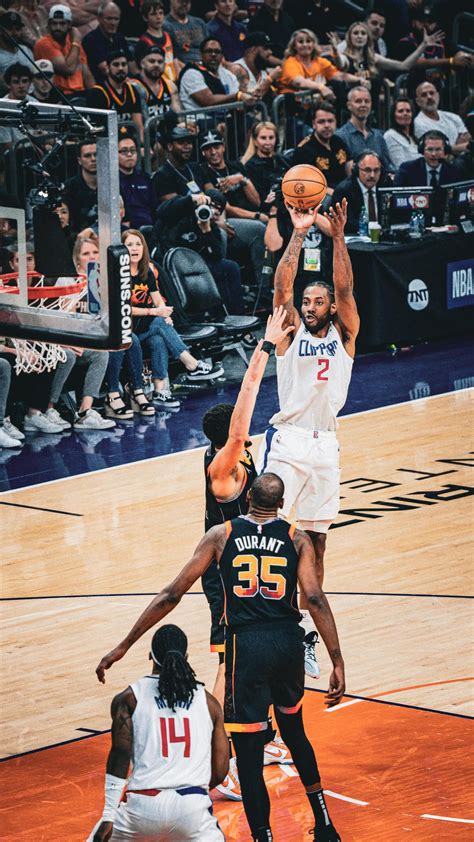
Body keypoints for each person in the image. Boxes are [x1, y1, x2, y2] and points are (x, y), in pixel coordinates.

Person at [96, 473, 345, 842]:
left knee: (248, 752)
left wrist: (124, 645)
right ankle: (324, 824)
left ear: (247, 501)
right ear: (281, 504)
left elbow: (171, 594)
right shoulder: (296, 538)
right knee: (295, 732)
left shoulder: (221, 535)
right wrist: (337, 659)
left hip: (246, 648)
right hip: (287, 643)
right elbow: (315, 598)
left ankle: (264, 837)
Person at [257, 199, 359, 680]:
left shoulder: (345, 333)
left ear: (332, 308)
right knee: (264, 527)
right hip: (290, 440)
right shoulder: (291, 332)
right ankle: (261, 616)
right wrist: (299, 233)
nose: (312, 306)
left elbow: (346, 284)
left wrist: (338, 237)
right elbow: (282, 287)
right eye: (308, 302)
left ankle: (302, 633)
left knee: (317, 540)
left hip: (326, 445)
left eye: (320, 301)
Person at [200, 308, 295, 800]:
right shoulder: (223, 469)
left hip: (250, 568)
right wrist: (262, 347)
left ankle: (264, 736)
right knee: (228, 667)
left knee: (261, 656)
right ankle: (218, 757)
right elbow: (241, 421)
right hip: (225, 578)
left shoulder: (240, 459)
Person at [90, 624, 228, 842]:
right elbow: (221, 770)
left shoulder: (129, 698)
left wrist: (108, 815)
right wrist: (192, 791)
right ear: (186, 657)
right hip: (192, 808)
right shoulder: (209, 703)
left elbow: (119, 756)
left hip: (142, 807)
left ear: (150, 656)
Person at [123, 229, 224, 409]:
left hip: (148, 327)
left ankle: (160, 391)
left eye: (138, 244)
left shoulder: (146, 271)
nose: (134, 248)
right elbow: (123, 309)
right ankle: (191, 364)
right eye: (129, 244)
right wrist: (155, 314)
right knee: (159, 324)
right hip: (127, 329)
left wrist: (164, 314)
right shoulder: (120, 275)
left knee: (158, 340)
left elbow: (157, 300)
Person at [200, 129, 266, 284]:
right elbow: (225, 207)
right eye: (208, 148)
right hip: (228, 218)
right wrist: (256, 216)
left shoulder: (236, 166)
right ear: (203, 152)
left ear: (223, 147)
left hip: (249, 213)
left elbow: (257, 201)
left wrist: (242, 180)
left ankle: (264, 285)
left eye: (216, 146)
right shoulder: (203, 171)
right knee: (260, 226)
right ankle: (261, 285)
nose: (213, 152)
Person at [277, 28, 363, 97]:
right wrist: (320, 87)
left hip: (315, 107)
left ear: (314, 44)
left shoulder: (320, 61)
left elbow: (339, 75)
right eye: (300, 42)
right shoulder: (290, 63)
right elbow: (298, 82)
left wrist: (359, 80)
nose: (305, 45)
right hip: (293, 109)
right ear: (294, 46)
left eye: (308, 41)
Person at [33, 4, 94, 99]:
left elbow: (86, 73)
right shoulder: (44, 43)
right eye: (54, 23)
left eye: (62, 24)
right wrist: (76, 42)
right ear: (49, 24)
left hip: (80, 94)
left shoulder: (73, 42)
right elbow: (68, 69)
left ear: (69, 25)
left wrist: (95, 94)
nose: (58, 27)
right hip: (58, 96)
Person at [291, 102, 353, 194]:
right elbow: (304, 184)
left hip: (344, 191)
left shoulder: (338, 141)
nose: (327, 125)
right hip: (320, 196)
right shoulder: (303, 150)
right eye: (321, 121)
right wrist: (335, 193)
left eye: (330, 121)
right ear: (314, 124)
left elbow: (350, 169)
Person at [178, 36, 250, 113]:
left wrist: (251, 97)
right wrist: (238, 96)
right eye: (209, 51)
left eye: (217, 52)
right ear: (201, 54)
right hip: (199, 121)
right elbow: (208, 101)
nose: (213, 54)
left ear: (222, 56)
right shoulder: (191, 74)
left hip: (225, 119)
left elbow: (235, 103)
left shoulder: (228, 75)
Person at [86, 49, 144, 143]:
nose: (121, 68)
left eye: (124, 64)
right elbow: (99, 130)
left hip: (129, 143)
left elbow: (138, 125)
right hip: (107, 143)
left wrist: (141, 146)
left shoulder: (133, 90)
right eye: (116, 65)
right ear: (108, 68)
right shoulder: (97, 93)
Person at [335, 86, 394, 174]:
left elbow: (388, 167)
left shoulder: (378, 136)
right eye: (358, 101)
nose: (363, 105)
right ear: (349, 105)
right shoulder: (340, 136)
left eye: (367, 101)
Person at [241, 120, 289, 212]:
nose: (268, 142)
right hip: (267, 211)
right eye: (263, 138)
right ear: (255, 141)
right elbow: (257, 200)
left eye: (271, 137)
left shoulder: (283, 160)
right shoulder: (250, 166)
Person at [413, 80, 472, 156]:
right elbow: (436, 152)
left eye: (432, 93)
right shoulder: (419, 123)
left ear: (438, 96)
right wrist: (458, 147)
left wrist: (449, 149)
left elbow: (468, 139)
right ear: (418, 102)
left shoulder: (452, 116)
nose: (429, 97)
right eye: (424, 95)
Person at [331, 150, 384, 234]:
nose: (372, 175)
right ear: (356, 170)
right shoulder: (343, 191)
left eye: (376, 170)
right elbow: (346, 223)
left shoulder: (385, 186)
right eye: (367, 170)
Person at [82, 1, 133, 84]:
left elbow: (132, 66)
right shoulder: (91, 40)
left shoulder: (120, 38)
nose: (113, 23)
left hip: (123, 82)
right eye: (109, 19)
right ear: (99, 19)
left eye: (116, 19)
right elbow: (105, 69)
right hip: (103, 86)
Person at [118, 129, 155, 229]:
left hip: (150, 228)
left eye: (132, 150)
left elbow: (155, 208)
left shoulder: (145, 178)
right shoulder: (113, 181)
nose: (129, 154)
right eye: (124, 151)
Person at [134, 44, 181, 122]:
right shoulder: (133, 86)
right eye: (152, 61)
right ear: (142, 64)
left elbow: (179, 116)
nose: (156, 65)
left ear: (165, 65)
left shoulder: (170, 86)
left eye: (160, 62)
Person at [135, 0, 178, 82]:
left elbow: (175, 61)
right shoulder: (143, 42)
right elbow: (142, 70)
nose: (158, 17)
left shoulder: (169, 36)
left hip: (174, 82)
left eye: (161, 13)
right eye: (153, 14)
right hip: (159, 84)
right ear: (145, 17)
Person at [63, 139, 98, 234]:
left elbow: (125, 220)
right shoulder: (69, 187)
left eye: (96, 154)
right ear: (79, 160)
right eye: (87, 156)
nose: (93, 159)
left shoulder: (112, 184)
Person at [229, 31, 277, 97]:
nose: (270, 52)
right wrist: (270, 79)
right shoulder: (237, 69)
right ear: (254, 49)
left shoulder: (263, 71)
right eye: (265, 48)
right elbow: (253, 95)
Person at [247, 0, 295, 65]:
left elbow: (293, 46)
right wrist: (282, 63)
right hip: (266, 67)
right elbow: (259, 52)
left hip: (290, 62)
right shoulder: (255, 22)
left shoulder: (288, 20)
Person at [163, 0, 208, 65]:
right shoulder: (165, 25)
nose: (184, 4)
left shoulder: (199, 23)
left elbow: (209, 48)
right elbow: (169, 57)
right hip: (181, 66)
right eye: (180, 1)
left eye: (187, 2)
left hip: (205, 65)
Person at [383, 96, 420, 170]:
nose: (405, 113)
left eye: (408, 111)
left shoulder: (414, 137)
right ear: (394, 115)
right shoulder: (390, 136)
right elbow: (400, 165)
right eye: (401, 111)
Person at [0, 10, 34, 88]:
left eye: (18, 29)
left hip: (32, 96)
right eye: (10, 29)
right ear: (1, 31)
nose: (14, 33)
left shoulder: (26, 50)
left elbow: (34, 75)